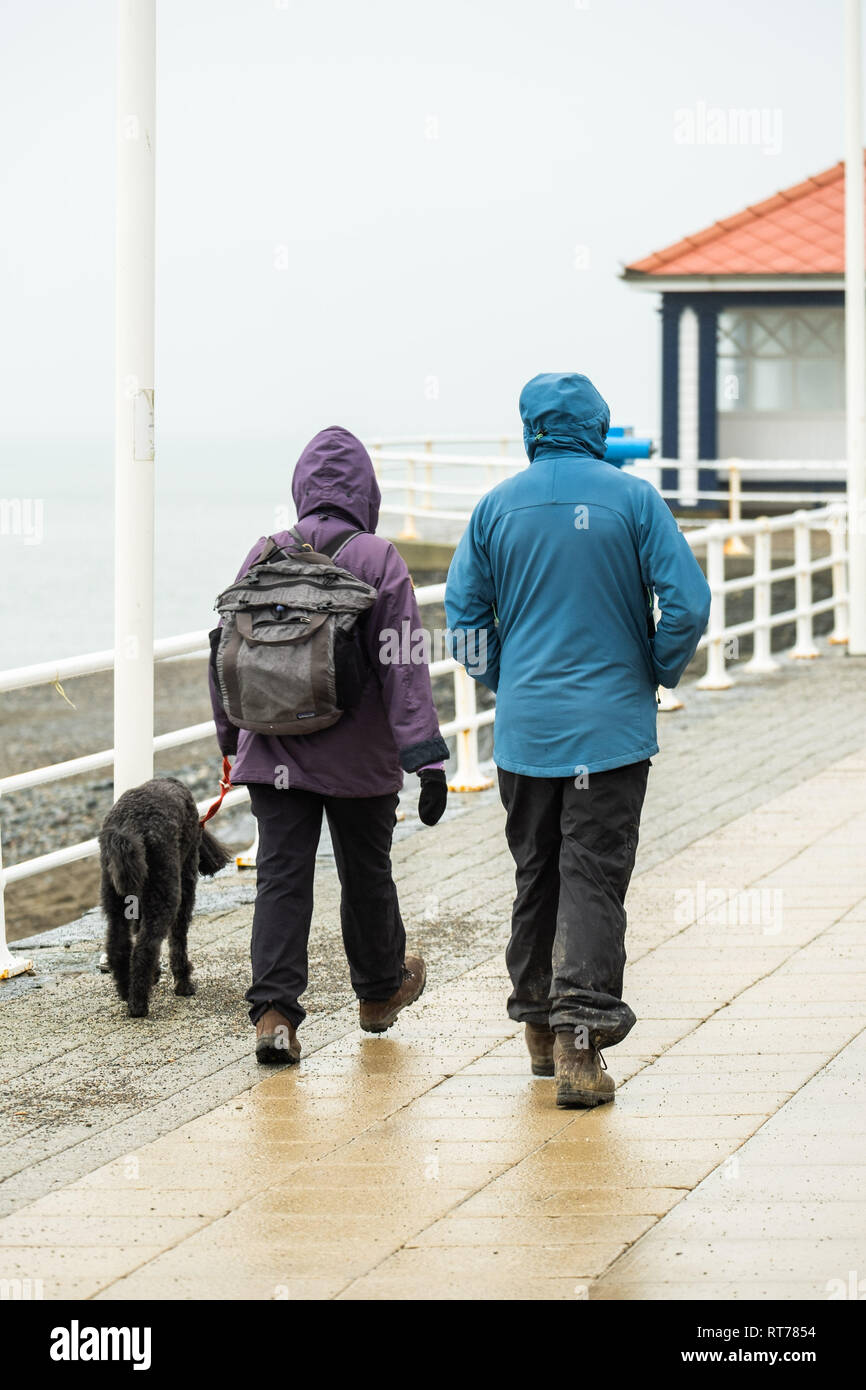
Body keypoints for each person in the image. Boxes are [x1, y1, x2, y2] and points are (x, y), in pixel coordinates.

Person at [445, 373, 711, 1108]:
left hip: (527, 733)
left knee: (539, 874)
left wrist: (509, 680)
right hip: (612, 734)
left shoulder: (496, 508)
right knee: (592, 876)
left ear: (531, 427)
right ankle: (579, 1047)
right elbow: (688, 602)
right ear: (598, 425)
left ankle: (538, 1027)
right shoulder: (633, 500)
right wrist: (654, 668)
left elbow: (463, 619)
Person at [210, 426, 450, 1064]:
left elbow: (227, 649)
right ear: (366, 491)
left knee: (281, 880)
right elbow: (404, 666)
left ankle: (274, 1017)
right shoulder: (377, 558)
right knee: (365, 874)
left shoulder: (265, 549)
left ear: (301, 488)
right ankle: (377, 993)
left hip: (273, 753)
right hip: (359, 761)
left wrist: (231, 742)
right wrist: (424, 758)